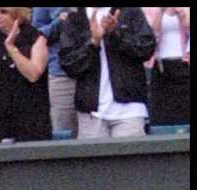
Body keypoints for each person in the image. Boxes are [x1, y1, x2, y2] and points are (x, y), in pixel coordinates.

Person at [58, 4, 155, 138]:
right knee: (92, 158)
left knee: (130, 158)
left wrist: (115, 34)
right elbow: (69, 64)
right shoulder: (75, 18)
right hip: (91, 110)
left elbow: (146, 48)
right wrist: (93, 42)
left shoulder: (130, 11)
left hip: (129, 108)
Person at [0, 4, 51, 140]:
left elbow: (33, 75)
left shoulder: (35, 37)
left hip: (30, 116)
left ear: (17, 13)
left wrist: (11, 48)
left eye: (3, 12)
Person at [32, 5, 76, 130]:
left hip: (93, 72)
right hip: (61, 73)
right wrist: (59, 22)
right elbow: (36, 34)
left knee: (92, 133)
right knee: (64, 131)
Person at [144, 6, 189, 126]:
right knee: (162, 112)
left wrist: (183, 17)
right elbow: (150, 35)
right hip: (160, 66)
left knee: (184, 111)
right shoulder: (151, 10)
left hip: (184, 64)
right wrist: (161, 11)